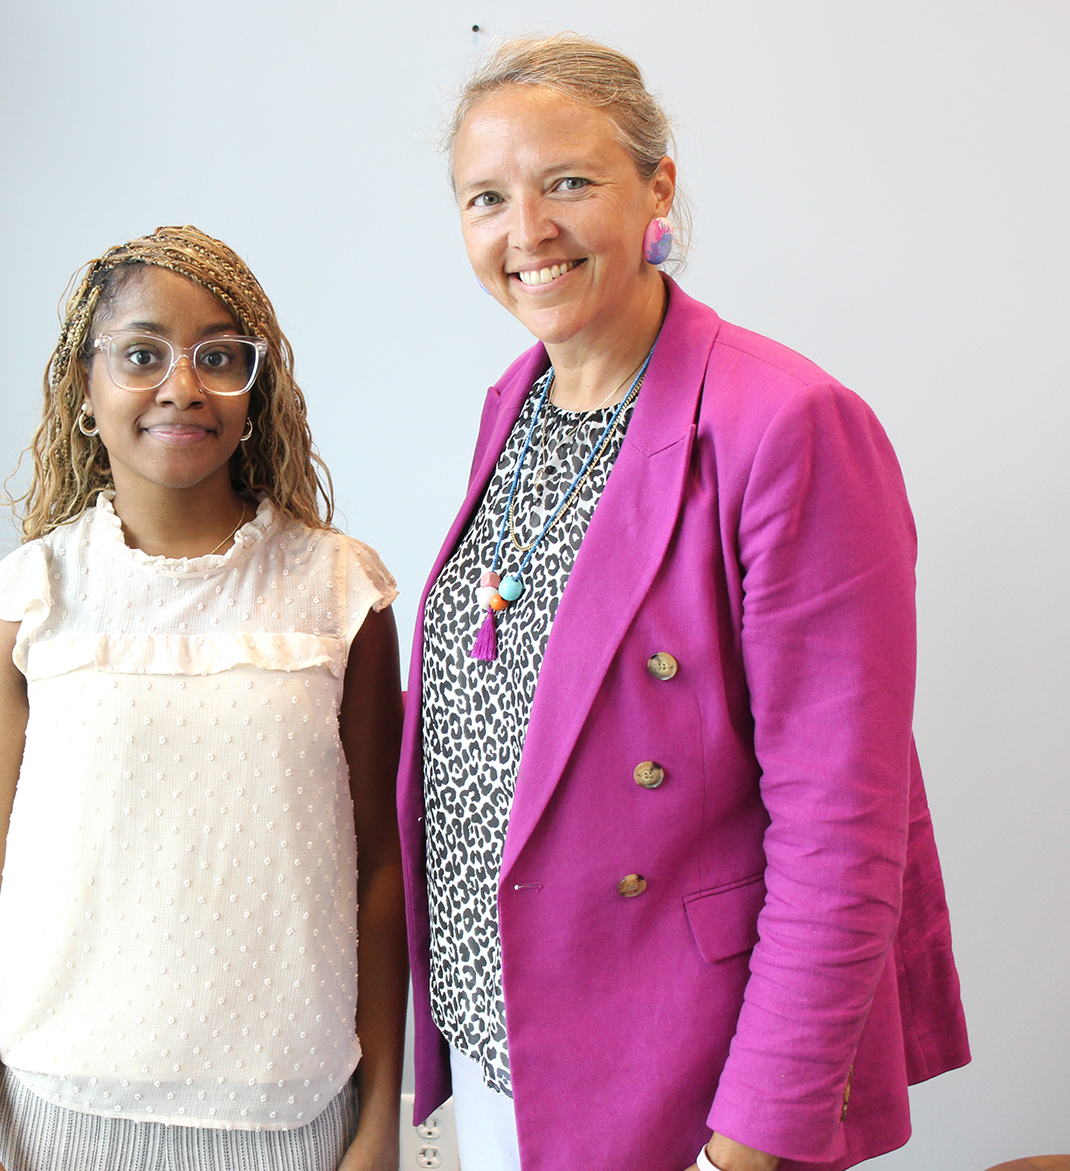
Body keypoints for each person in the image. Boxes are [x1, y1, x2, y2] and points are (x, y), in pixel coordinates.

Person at [395, 34, 969, 1171]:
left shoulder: (789, 423)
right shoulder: (514, 403)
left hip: (681, 1083)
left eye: (569, 182)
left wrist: (748, 1146)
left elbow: (844, 829)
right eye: (487, 198)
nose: (528, 233)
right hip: (505, 1058)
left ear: (658, 186)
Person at [0, 225, 407, 1171]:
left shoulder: (340, 591)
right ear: (84, 388)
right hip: (58, 1113)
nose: (182, 385)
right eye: (141, 354)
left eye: (219, 357)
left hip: (292, 1115)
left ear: (254, 386)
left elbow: (380, 867)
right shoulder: (27, 598)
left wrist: (379, 1121)